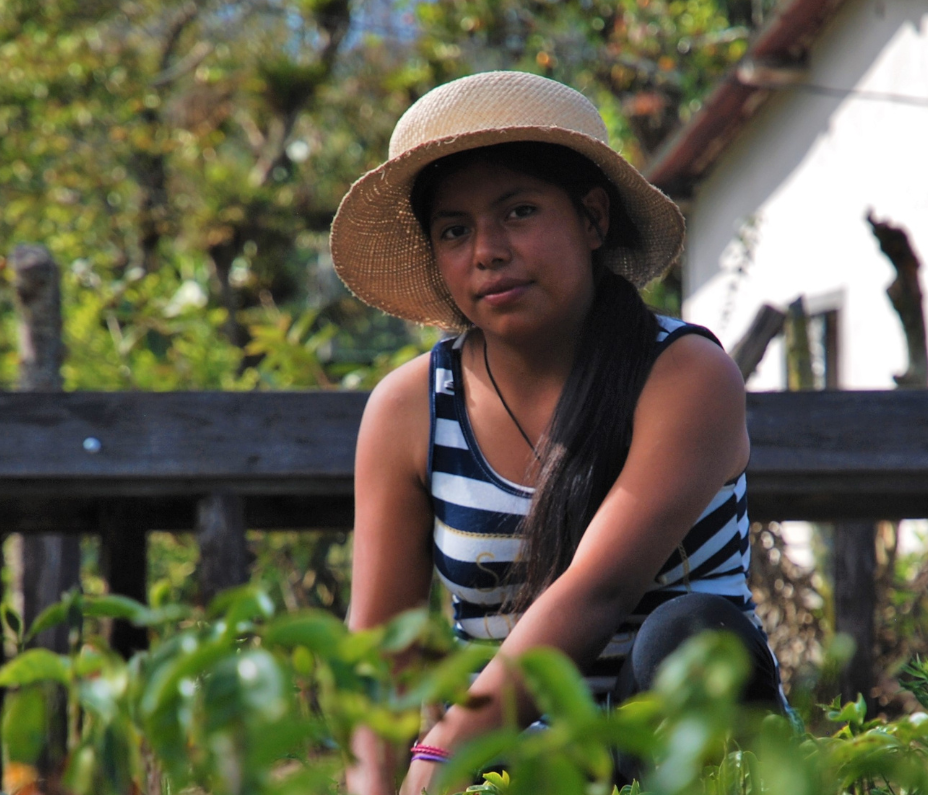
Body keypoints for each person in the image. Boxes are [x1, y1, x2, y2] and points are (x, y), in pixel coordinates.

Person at [330, 71, 787, 795]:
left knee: (690, 632)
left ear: (594, 218)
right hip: (511, 767)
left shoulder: (683, 374)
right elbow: (379, 655)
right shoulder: (410, 407)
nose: (487, 250)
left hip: (688, 756)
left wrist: (440, 756)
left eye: (518, 212)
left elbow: (598, 589)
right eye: (455, 230)